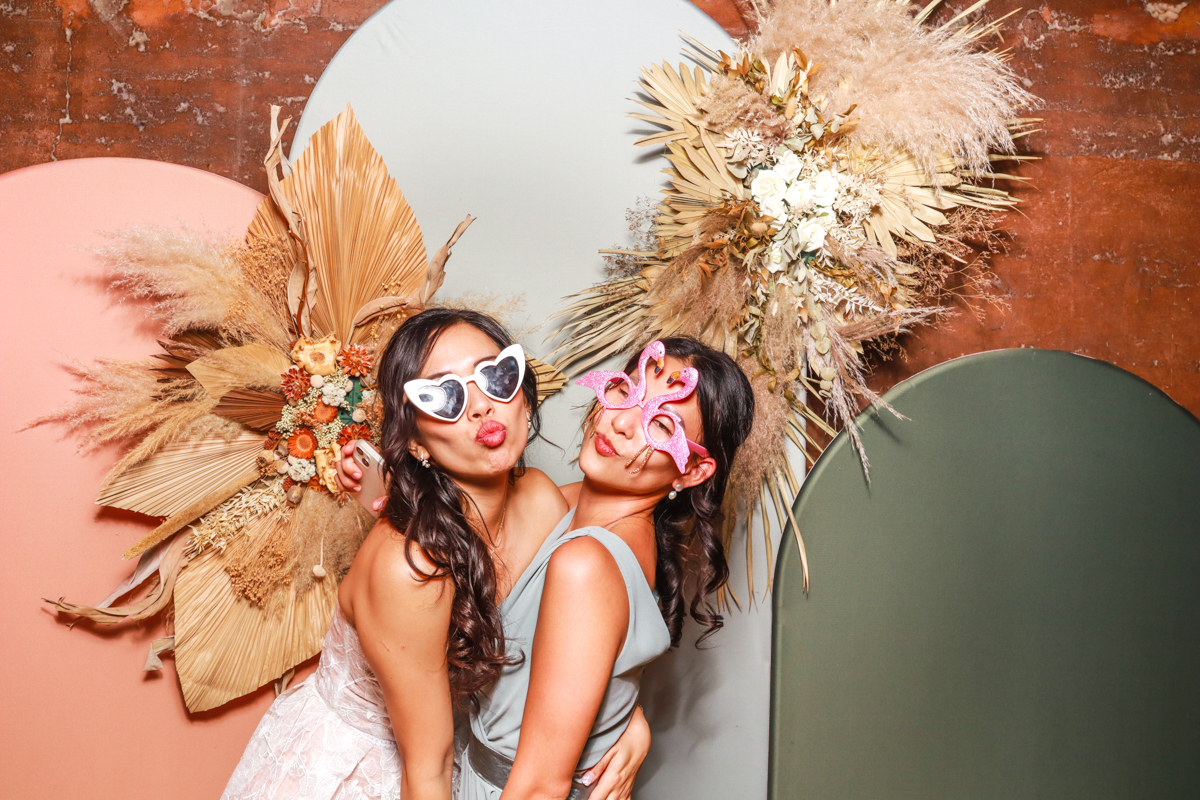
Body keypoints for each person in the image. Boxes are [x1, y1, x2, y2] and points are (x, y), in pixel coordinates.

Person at [222, 309, 650, 800]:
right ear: (415, 439)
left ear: (525, 400)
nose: (482, 407)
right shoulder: (411, 570)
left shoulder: (541, 500)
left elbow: (580, 620)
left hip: (464, 759)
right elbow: (428, 767)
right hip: (366, 770)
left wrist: (626, 714)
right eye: (445, 396)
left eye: (497, 377)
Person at [456, 338, 755, 799]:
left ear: (691, 472)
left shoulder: (586, 565)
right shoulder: (569, 503)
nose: (619, 423)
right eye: (626, 391)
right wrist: (623, 715)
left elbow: (539, 787)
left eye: (660, 423)